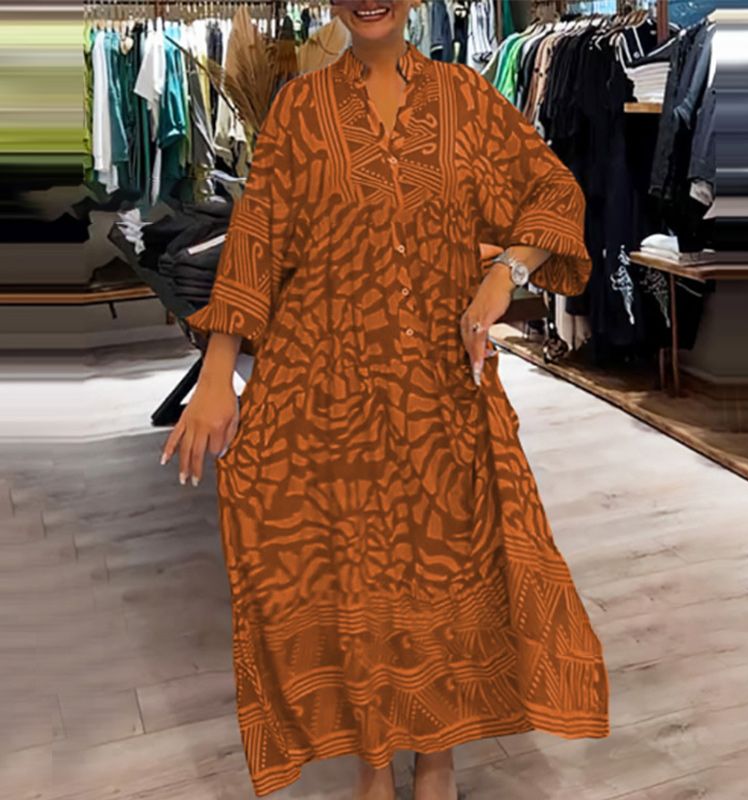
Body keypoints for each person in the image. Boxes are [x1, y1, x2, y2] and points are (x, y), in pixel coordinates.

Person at [161, 1, 610, 797]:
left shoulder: (466, 100)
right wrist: (216, 375)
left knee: (441, 571)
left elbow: (553, 192)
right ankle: (374, 761)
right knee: (354, 576)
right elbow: (257, 240)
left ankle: (436, 759)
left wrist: (504, 271)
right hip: (325, 389)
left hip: (438, 389)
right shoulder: (301, 108)